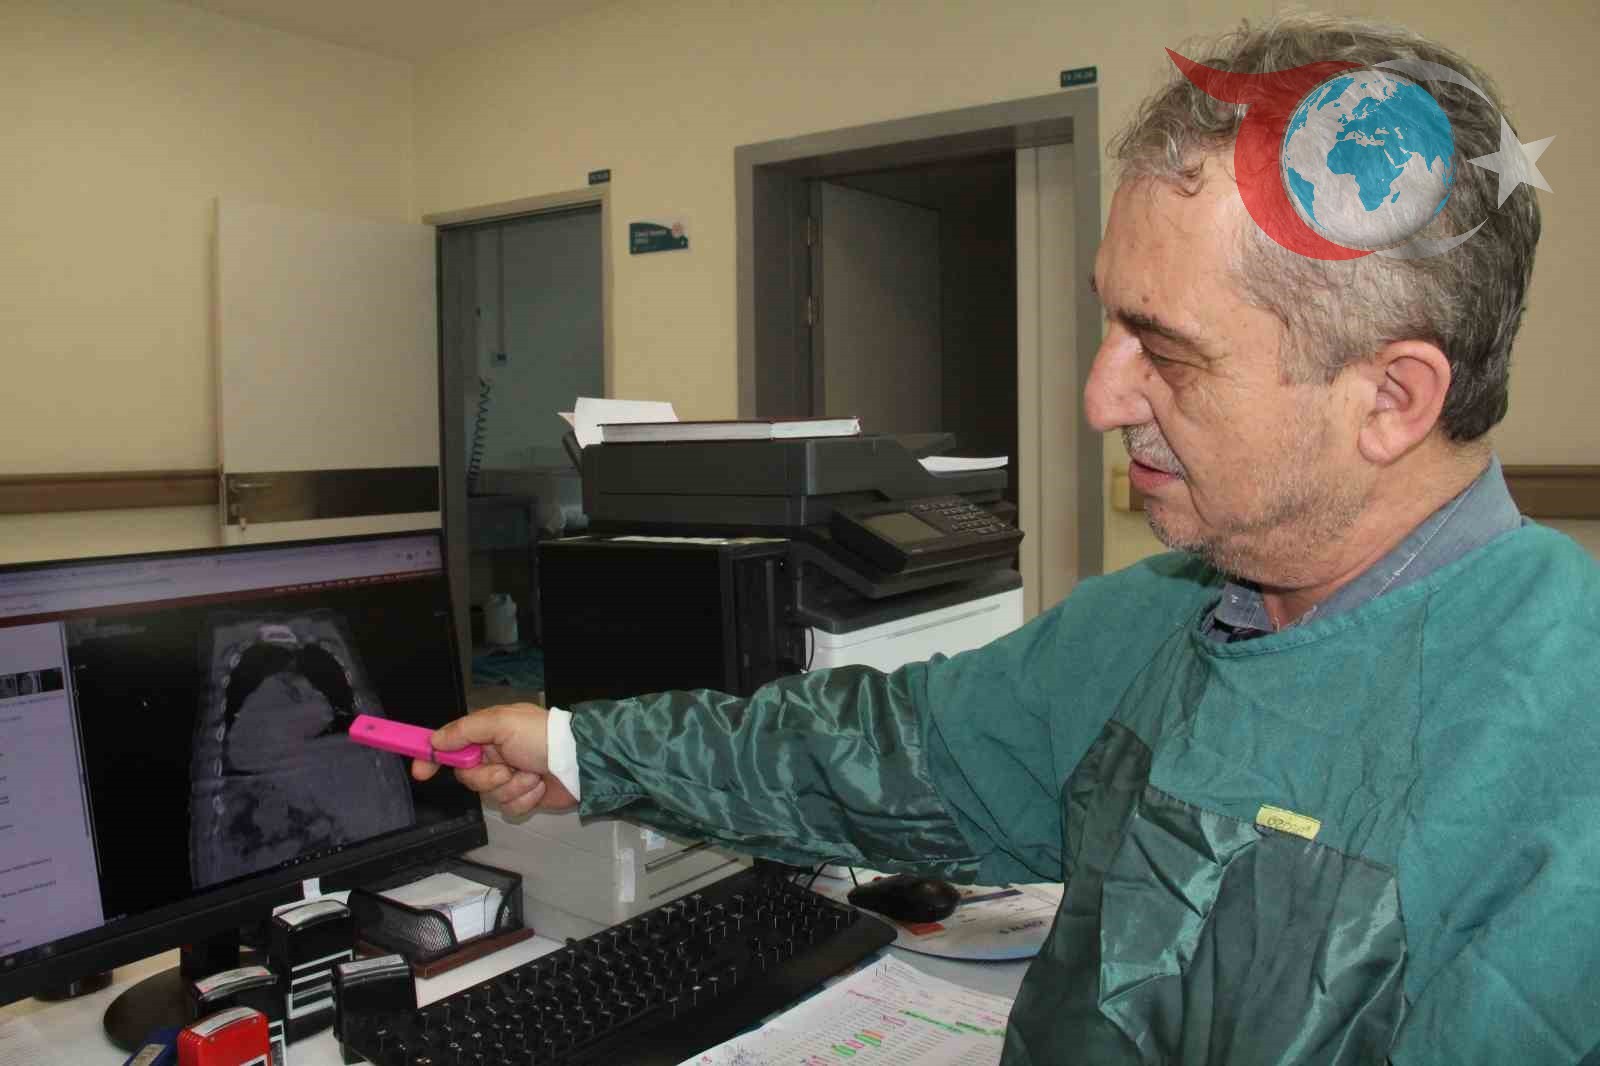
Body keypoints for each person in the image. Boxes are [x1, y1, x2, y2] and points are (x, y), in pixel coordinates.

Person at [414, 14, 1599, 1064]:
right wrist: (581, 746)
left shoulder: (1559, 767)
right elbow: (884, 752)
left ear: (1389, 398)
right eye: (1109, 323)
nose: (1100, 396)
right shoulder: (1162, 619)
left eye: (1166, 350)